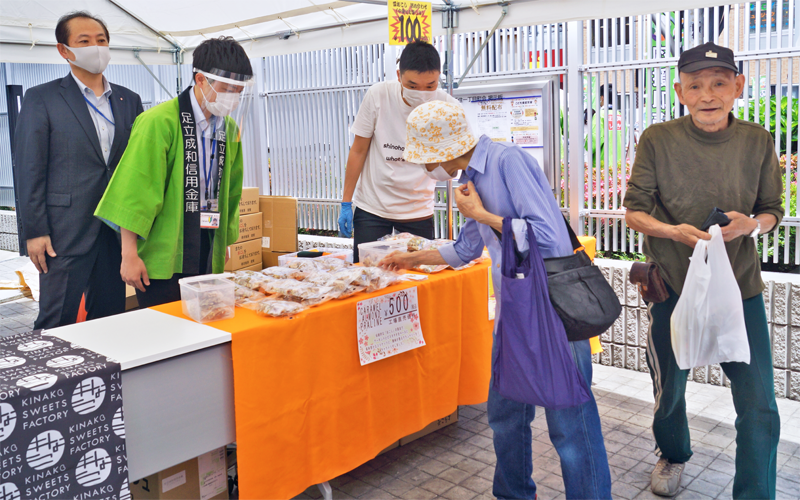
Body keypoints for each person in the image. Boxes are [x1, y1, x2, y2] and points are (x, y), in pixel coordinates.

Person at [380, 101, 612, 500]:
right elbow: (466, 249)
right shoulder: (468, 177)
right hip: (514, 314)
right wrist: (409, 258)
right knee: (505, 415)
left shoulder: (509, 162)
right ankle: (513, 493)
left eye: (425, 161)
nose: (425, 170)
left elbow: (549, 237)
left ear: (444, 152)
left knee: (571, 424)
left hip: (552, 314)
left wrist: (483, 215)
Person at [623, 42, 782, 499]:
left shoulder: (757, 140)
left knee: (758, 402)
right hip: (672, 284)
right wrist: (675, 233)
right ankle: (673, 454)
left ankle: (754, 492)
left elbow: (772, 209)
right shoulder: (658, 138)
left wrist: (753, 224)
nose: (708, 94)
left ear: (738, 87)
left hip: (740, 289)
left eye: (719, 83)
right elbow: (634, 212)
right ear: (680, 91)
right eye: (695, 85)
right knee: (669, 386)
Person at [94, 36, 254, 308]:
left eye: (238, 92)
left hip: (207, 241)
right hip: (163, 248)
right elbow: (135, 192)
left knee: (207, 322)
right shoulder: (158, 122)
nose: (233, 99)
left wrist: (223, 240)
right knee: (166, 328)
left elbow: (231, 191)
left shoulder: (228, 129)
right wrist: (129, 254)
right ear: (201, 80)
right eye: (227, 89)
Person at [13, 11, 143, 329]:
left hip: (115, 229)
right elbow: (29, 168)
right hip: (63, 231)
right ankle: (49, 377)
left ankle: (103, 378)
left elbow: (137, 166)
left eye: (101, 40)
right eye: (83, 41)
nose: (95, 47)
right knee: (56, 317)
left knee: (110, 315)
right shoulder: (41, 98)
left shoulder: (129, 100)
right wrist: (34, 231)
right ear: (64, 50)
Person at [338, 41, 458, 261]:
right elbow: (358, 150)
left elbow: (454, 164)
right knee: (367, 276)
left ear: (439, 78)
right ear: (398, 75)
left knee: (416, 282)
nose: (421, 93)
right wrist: (346, 202)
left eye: (430, 86)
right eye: (412, 85)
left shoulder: (447, 106)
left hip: (418, 210)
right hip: (372, 208)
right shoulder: (379, 95)